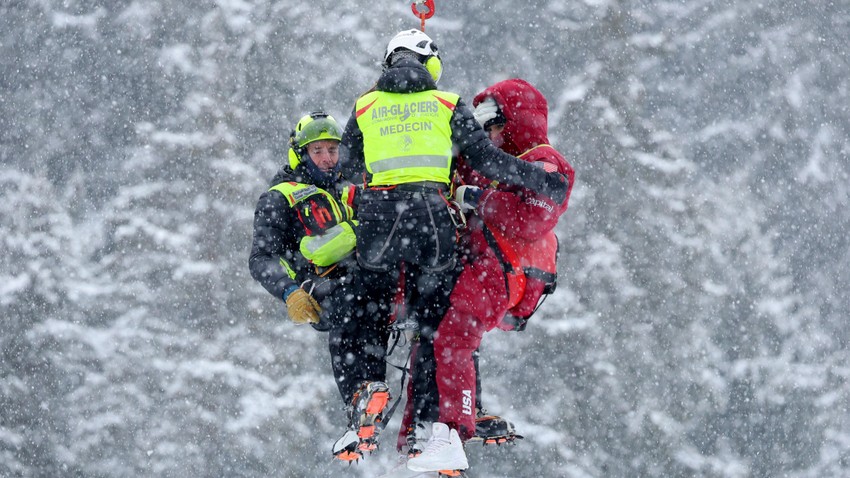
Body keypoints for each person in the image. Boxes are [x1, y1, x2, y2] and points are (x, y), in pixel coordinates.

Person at [339, 29, 570, 475]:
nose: (491, 127)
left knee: (389, 315)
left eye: (495, 118)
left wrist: (394, 168)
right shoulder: (445, 103)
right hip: (438, 232)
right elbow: (484, 159)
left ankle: (391, 402)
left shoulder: (366, 105)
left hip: (388, 229)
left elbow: (350, 164)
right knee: (437, 326)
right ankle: (431, 430)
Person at [406, 79, 576, 473]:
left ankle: (451, 431)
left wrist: (477, 199)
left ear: (516, 122)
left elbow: (532, 217)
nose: (491, 137)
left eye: (496, 126)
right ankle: (432, 428)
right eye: (485, 129)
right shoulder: (489, 162)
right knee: (437, 334)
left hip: (504, 267)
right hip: (480, 264)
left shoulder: (543, 160)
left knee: (455, 337)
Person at [248, 111, 392, 462]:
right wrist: (289, 291)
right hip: (323, 284)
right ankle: (356, 397)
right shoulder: (281, 197)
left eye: (333, 150)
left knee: (378, 316)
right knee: (350, 309)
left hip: (370, 278)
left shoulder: (353, 185)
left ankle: (371, 403)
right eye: (319, 151)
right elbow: (261, 258)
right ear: (301, 154)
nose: (328, 159)